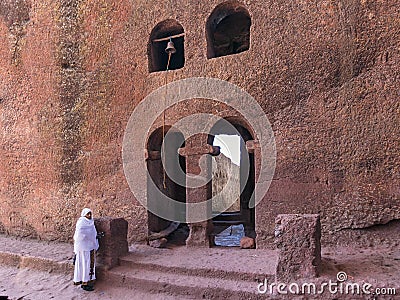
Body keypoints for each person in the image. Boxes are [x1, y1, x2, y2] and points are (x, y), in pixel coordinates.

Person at [73, 208, 99, 291]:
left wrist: (93, 239)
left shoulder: (91, 223)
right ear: (84, 214)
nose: (89, 216)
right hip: (83, 248)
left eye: (90, 214)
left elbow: (93, 234)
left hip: (89, 247)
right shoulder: (81, 223)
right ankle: (84, 283)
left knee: (88, 264)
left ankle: (87, 281)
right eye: (88, 214)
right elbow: (79, 235)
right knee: (84, 264)